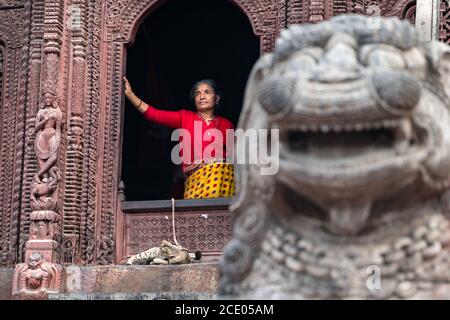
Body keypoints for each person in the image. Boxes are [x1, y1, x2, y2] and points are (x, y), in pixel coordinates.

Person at [123, 76, 235, 199]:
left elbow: (232, 158)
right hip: (195, 182)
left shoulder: (226, 124)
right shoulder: (184, 117)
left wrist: (214, 163)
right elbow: (154, 114)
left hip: (221, 182)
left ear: (216, 98)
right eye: (198, 93)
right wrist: (130, 95)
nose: (202, 96)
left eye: (207, 92)